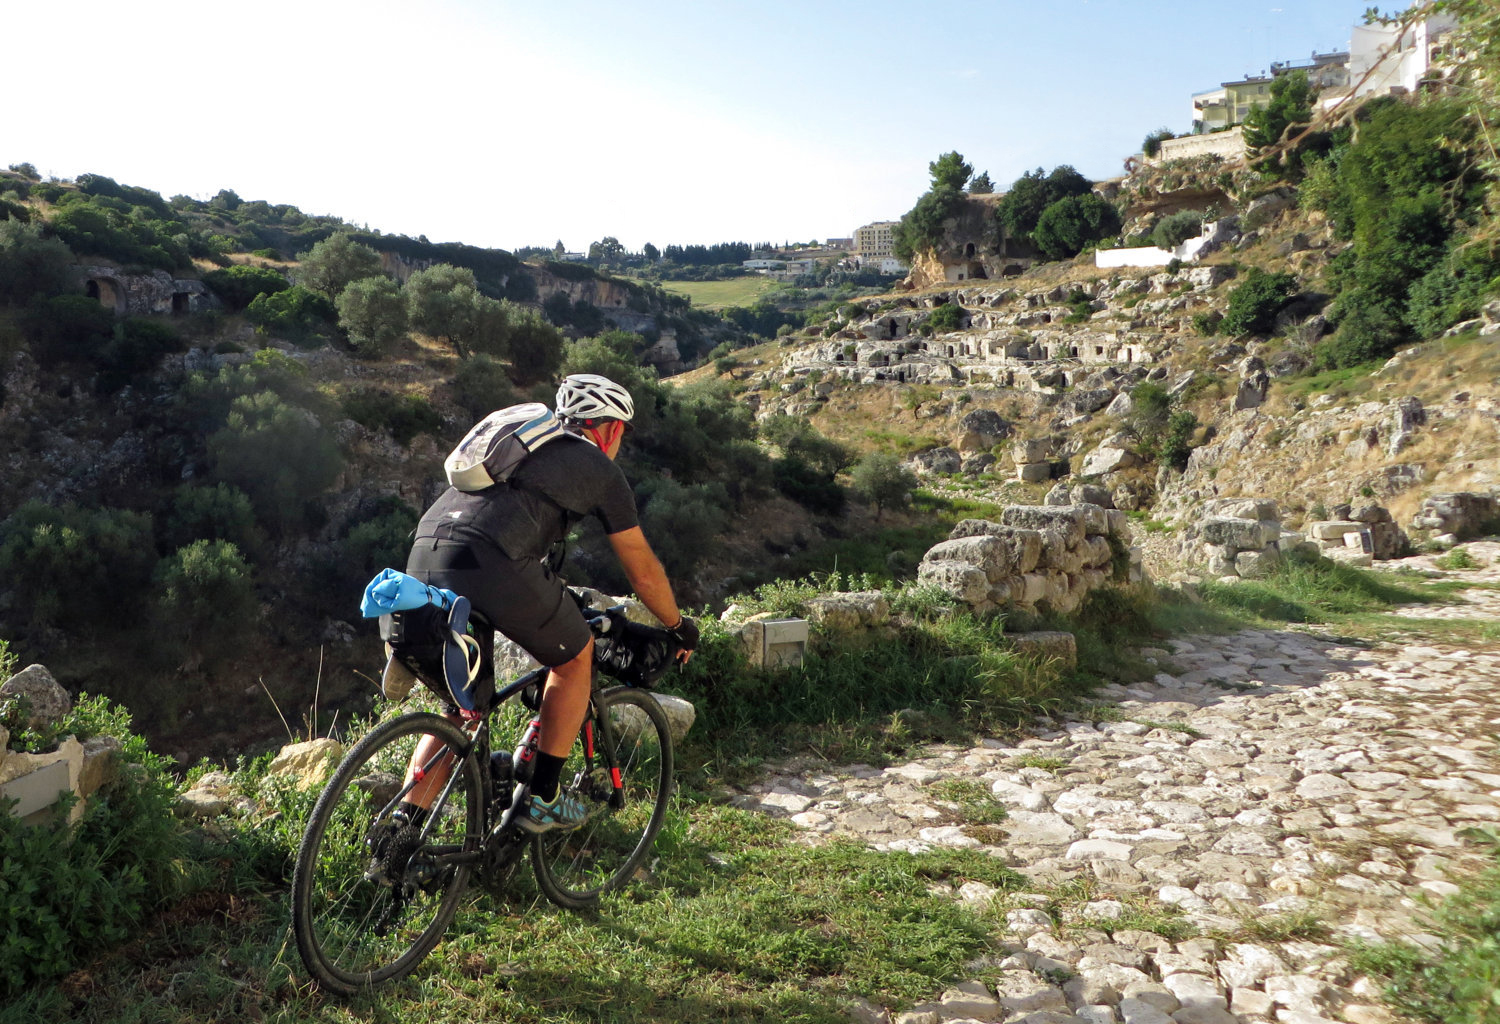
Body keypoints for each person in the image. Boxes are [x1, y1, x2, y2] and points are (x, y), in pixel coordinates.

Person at [389, 372, 698, 833]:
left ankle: (400, 830)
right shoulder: (598, 468)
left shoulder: (518, 446)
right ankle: (544, 797)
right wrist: (676, 625)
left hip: (424, 555)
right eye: (623, 434)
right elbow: (640, 564)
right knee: (575, 657)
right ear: (611, 428)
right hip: (493, 564)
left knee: (464, 708)